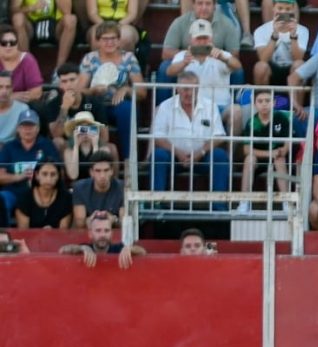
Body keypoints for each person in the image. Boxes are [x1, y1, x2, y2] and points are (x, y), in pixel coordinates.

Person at [149, 72, 230, 200]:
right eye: (185, 89)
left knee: (220, 156)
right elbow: (158, 137)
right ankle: (156, 204)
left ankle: (218, 207)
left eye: (194, 89)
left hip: (202, 157)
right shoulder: (165, 106)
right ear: (177, 89)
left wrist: (201, 152)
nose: (189, 93)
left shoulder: (210, 106)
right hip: (174, 157)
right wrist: (177, 152)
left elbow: (219, 136)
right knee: (158, 156)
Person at [77, 20, 146, 158]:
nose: (110, 43)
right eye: (105, 39)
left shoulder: (129, 58)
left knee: (127, 109)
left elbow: (142, 92)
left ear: (119, 40)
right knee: (87, 107)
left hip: (118, 104)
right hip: (96, 103)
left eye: (113, 38)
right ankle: (93, 159)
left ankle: (129, 161)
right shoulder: (90, 59)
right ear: (97, 41)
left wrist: (127, 90)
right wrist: (93, 90)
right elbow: (79, 91)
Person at [166, 19, 244, 135]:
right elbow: (169, 72)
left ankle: (230, 153)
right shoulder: (182, 56)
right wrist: (184, 63)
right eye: (198, 38)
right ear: (191, 40)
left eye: (205, 38)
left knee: (236, 111)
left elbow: (238, 67)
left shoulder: (221, 54)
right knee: (159, 110)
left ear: (211, 39)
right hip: (191, 106)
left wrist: (222, 57)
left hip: (220, 105)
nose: (202, 42)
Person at [239, 88, 294, 214]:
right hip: (259, 157)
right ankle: (244, 201)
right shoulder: (252, 122)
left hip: (277, 157)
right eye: (260, 101)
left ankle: (286, 202)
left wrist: (284, 149)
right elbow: (247, 149)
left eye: (267, 100)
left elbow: (289, 141)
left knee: (280, 160)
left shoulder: (281, 117)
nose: (264, 104)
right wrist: (270, 154)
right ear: (255, 103)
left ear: (274, 103)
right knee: (249, 159)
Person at [0, 109, 58, 225]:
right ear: (18, 129)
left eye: (31, 126)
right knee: (2, 200)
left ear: (38, 128)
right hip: (13, 192)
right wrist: (20, 176)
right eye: (24, 126)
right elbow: (1, 176)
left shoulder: (47, 145)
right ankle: (3, 236)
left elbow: (57, 170)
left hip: (42, 192)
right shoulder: (9, 147)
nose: (27, 129)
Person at [58, 210, 144, 268]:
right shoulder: (85, 248)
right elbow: (63, 250)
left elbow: (143, 252)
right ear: (90, 234)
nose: (102, 235)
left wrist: (130, 248)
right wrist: (82, 248)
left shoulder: (118, 248)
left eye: (106, 231)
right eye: (98, 231)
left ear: (111, 234)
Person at [252, 0, 308, 88]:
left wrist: (293, 36)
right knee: (260, 67)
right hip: (271, 69)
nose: (283, 12)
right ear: (273, 8)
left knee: (299, 65)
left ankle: (296, 102)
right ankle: (263, 98)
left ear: (293, 10)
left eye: (288, 9)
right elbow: (263, 59)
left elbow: (298, 58)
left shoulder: (303, 30)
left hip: (291, 67)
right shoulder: (261, 30)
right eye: (280, 8)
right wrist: (275, 35)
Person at [10, 0, 78, 73]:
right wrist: (31, 8)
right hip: (31, 27)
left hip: (54, 26)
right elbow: (13, 10)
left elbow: (67, 11)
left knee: (71, 19)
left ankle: (59, 69)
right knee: (17, 18)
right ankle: (27, 67)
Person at [71, 150, 123, 227]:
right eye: (98, 171)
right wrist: (91, 220)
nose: (102, 175)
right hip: (88, 234)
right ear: (91, 172)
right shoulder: (80, 188)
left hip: (114, 233)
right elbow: (80, 223)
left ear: (112, 171)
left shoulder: (122, 187)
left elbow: (124, 222)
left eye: (106, 170)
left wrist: (114, 220)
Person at [14, 159, 71, 229]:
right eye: (44, 174)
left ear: (58, 176)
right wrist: (41, 233)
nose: (49, 179)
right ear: (37, 175)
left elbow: (63, 231)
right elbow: (23, 231)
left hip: (57, 238)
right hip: (31, 239)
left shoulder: (65, 198)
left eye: (53, 174)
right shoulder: (25, 197)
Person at [0, 23, 43, 105]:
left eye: (12, 42)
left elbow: (36, 92)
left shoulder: (28, 60)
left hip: (22, 106)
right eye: (3, 43)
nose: (8, 46)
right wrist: (10, 97)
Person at [0, 72, 28, 145]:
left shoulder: (22, 109)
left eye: (8, 87)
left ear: (12, 88)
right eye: (0, 87)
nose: (4, 91)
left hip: (12, 149)